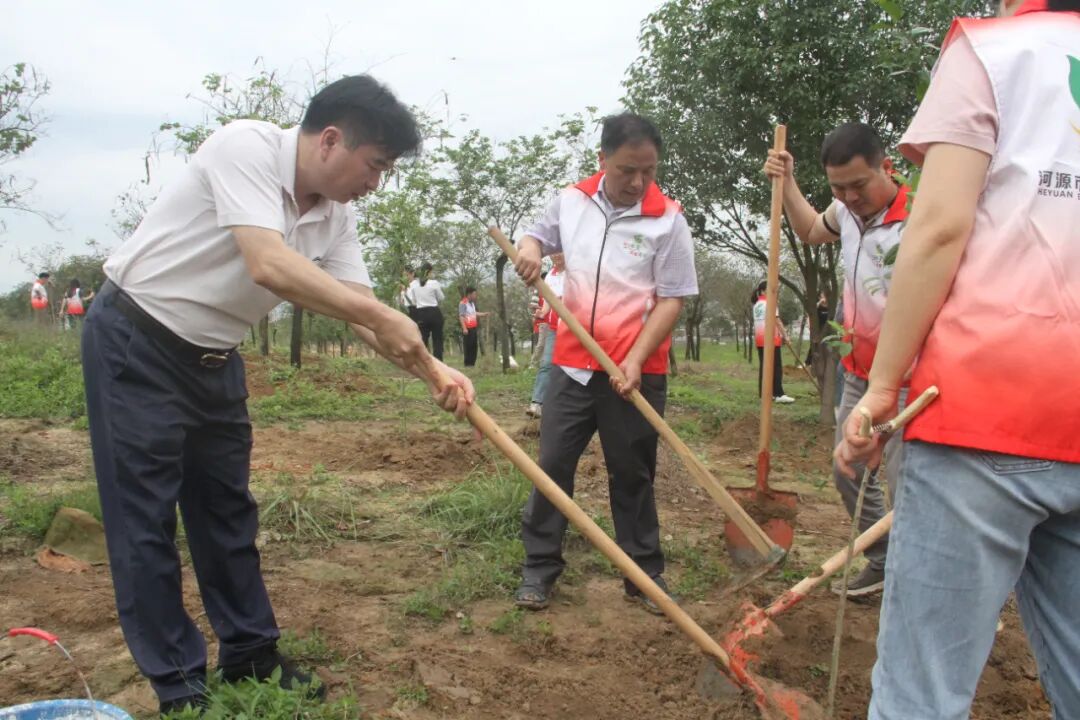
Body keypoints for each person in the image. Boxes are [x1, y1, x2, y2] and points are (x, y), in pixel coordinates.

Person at [81, 75, 475, 715]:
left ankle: (249, 654)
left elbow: (362, 313)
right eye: (375, 165)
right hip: (138, 341)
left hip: (215, 358)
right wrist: (379, 316)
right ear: (329, 140)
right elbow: (267, 262)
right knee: (145, 522)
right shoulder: (244, 148)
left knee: (227, 512)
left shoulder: (334, 216)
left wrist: (434, 371)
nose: (376, 183)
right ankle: (181, 686)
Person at [836, 2, 1080, 717]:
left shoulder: (991, 50)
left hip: (987, 409)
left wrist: (883, 387)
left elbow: (939, 227)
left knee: (922, 690)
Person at [511, 113, 698, 614]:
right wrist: (529, 249)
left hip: (635, 373)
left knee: (632, 473)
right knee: (551, 467)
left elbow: (672, 299)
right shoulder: (572, 201)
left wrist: (635, 359)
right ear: (602, 161)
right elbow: (536, 236)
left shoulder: (668, 220)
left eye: (648, 171)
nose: (637, 182)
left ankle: (644, 577)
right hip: (572, 365)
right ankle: (539, 568)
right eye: (625, 170)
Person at [763, 122, 910, 597]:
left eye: (858, 185)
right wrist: (787, 182)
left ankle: (918, 582)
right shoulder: (845, 213)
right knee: (847, 470)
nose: (848, 196)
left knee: (910, 487)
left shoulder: (921, 217)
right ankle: (884, 560)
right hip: (858, 373)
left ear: (885, 167)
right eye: (837, 187)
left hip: (913, 377)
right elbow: (808, 229)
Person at [526, 253, 565, 417]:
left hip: (572, 329)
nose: (556, 255)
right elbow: (548, 302)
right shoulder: (550, 275)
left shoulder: (575, 274)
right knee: (546, 363)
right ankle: (537, 403)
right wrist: (543, 312)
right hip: (553, 328)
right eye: (553, 252)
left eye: (560, 251)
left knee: (568, 369)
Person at [751, 280, 795, 404]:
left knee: (764, 367)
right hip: (771, 340)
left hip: (760, 340)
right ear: (764, 290)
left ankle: (764, 394)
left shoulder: (757, 304)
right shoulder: (770, 303)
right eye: (774, 290)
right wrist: (786, 336)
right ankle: (778, 394)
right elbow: (777, 321)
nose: (776, 292)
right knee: (776, 367)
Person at [411, 261, 445, 360]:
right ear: (429, 272)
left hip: (420, 314)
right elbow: (441, 298)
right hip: (434, 312)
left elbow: (414, 302)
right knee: (437, 340)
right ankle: (439, 363)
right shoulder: (434, 283)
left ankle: (421, 362)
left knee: (422, 340)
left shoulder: (414, 285)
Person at [458, 286, 489, 367]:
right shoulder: (463, 303)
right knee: (468, 346)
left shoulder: (472, 304)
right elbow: (461, 316)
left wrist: (484, 314)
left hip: (474, 327)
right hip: (467, 328)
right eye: (474, 294)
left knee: (474, 346)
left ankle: (472, 363)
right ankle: (467, 364)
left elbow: (474, 313)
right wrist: (464, 328)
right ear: (469, 294)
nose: (475, 296)